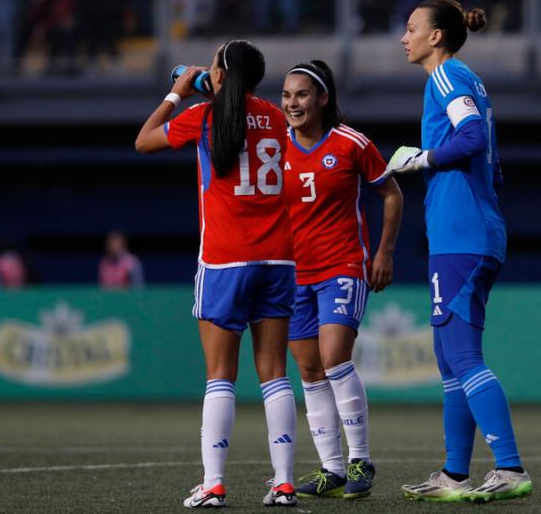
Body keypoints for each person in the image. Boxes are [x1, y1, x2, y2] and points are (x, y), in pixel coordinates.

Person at [135, 39, 299, 508]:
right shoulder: (274, 115)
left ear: (220, 75)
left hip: (226, 259)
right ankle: (283, 483)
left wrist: (178, 94)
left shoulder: (204, 116)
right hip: (278, 258)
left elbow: (143, 141)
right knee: (274, 375)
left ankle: (214, 484)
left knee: (220, 377)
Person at [387, 0, 533, 503]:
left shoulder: (446, 76)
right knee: (449, 357)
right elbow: (492, 165)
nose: (403, 38)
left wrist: (422, 158)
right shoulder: (464, 79)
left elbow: (471, 138)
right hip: (468, 231)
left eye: (411, 29)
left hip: (462, 237)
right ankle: (454, 475)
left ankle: (510, 468)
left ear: (437, 37)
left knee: (463, 356)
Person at [280, 60, 404, 499]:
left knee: (334, 359)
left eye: (302, 94)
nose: (292, 103)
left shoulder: (350, 143)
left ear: (323, 99)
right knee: (309, 371)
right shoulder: (276, 146)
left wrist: (384, 252)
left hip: (342, 266)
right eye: (287, 95)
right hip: (294, 275)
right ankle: (330, 469)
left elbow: (392, 193)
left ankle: (360, 460)